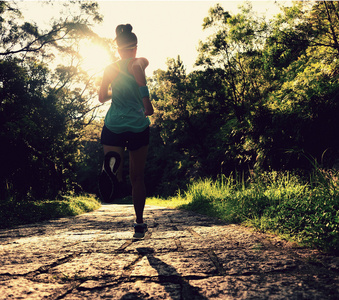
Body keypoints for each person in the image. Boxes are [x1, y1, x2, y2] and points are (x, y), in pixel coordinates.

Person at [98, 24, 154, 239]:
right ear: (135, 48)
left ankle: (111, 168)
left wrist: (117, 92)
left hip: (114, 125)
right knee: (137, 177)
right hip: (137, 126)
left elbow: (102, 97)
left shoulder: (110, 68)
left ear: (118, 49)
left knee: (117, 173)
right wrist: (146, 103)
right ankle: (139, 223)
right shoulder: (140, 60)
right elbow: (138, 72)